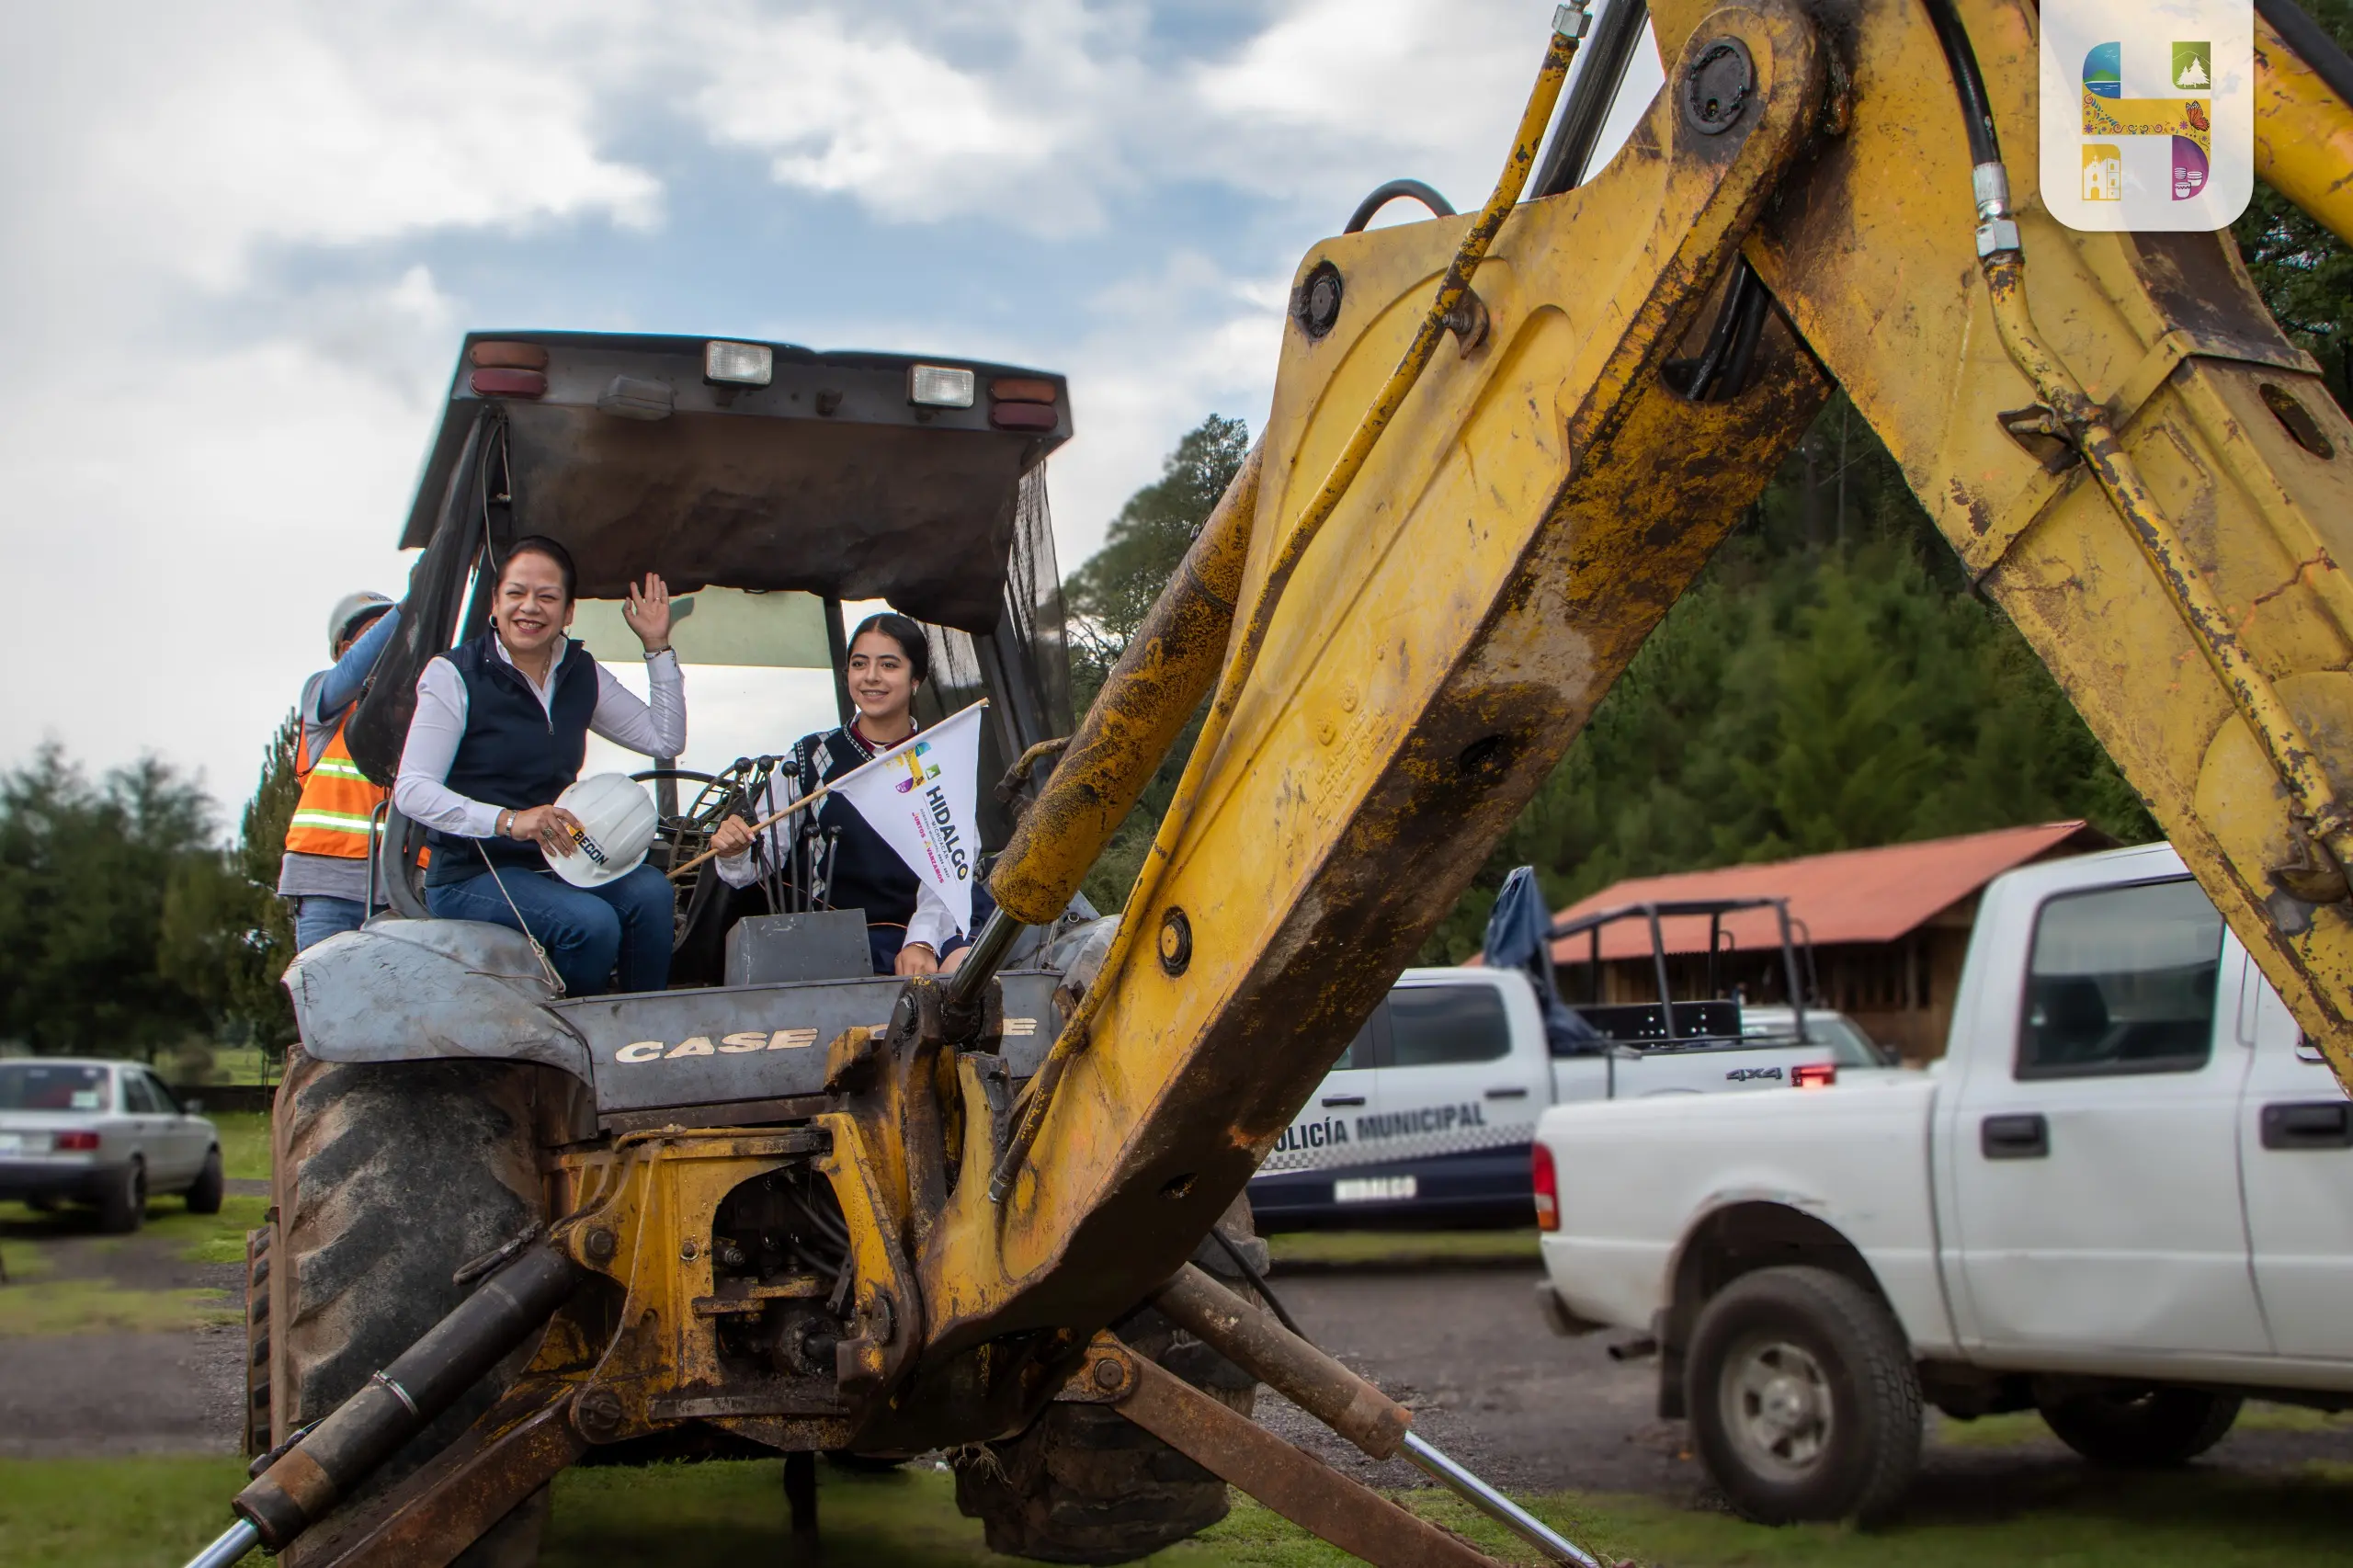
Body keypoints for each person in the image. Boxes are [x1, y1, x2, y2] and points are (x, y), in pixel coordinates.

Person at [392, 536, 685, 996]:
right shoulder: (454, 675)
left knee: (651, 892)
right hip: (473, 873)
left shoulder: (580, 671)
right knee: (591, 924)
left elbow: (663, 738)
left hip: (562, 864)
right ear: (495, 603)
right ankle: (578, 1033)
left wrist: (657, 646)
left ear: (568, 612)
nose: (530, 607)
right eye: (516, 593)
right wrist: (509, 821)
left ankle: (641, 1025)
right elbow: (411, 790)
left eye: (547, 597)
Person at [708, 611, 994, 976]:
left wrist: (922, 941)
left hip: (936, 919)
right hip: (838, 933)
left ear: (916, 678)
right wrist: (734, 851)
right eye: (859, 664)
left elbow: (954, 867)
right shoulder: (809, 757)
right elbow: (756, 864)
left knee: (962, 972)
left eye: (888, 665)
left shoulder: (941, 757)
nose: (871, 676)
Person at [278, 591, 403, 951]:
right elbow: (351, 674)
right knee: (328, 986)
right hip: (327, 888)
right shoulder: (323, 697)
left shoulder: (416, 711)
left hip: (401, 892)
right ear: (346, 649)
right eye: (376, 634)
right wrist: (410, 607)